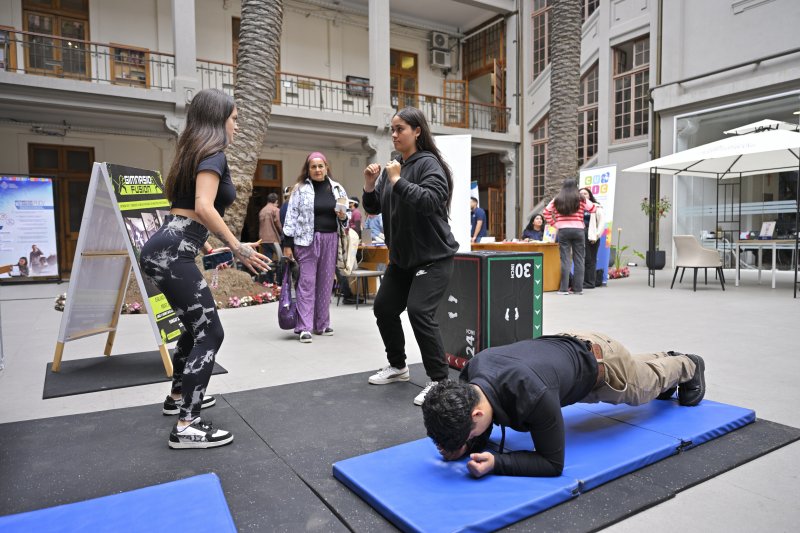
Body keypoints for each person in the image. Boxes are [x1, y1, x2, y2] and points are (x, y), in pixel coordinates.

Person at [139, 88, 271, 449]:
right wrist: (236, 245)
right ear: (217, 119)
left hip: (168, 245)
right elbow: (203, 205)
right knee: (210, 333)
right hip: (172, 252)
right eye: (234, 118)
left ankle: (177, 397)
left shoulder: (191, 152)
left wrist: (207, 244)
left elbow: (184, 210)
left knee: (193, 327)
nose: (237, 125)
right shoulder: (214, 154)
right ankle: (187, 424)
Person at [422, 331, 706, 478]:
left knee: (644, 387)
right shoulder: (471, 374)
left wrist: (497, 463)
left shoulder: (533, 394)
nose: (472, 439)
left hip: (603, 367)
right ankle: (666, 356)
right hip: (569, 344)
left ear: (477, 413)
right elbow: (478, 424)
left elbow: (552, 463)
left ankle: (688, 364)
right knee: (637, 369)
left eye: (470, 435)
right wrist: (458, 444)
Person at [362, 107, 459, 406]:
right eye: (392, 129)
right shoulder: (394, 167)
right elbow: (374, 207)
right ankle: (398, 366)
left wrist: (397, 181)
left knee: (419, 311)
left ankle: (440, 381)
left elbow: (430, 201)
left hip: (434, 257)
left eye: (400, 129)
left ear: (417, 131)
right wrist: (370, 185)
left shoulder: (428, 163)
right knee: (384, 308)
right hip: (403, 260)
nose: (394, 134)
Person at [282, 152, 349, 343]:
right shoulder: (300, 189)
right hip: (306, 241)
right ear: (308, 169)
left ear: (326, 167)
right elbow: (291, 217)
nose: (317, 170)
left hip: (331, 239)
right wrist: (287, 244)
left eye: (321, 166)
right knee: (307, 283)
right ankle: (304, 327)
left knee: (326, 283)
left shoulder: (337, 189)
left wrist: (344, 216)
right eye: (313, 166)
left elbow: (346, 217)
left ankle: (322, 323)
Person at [543, 178, 597, 295]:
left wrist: (555, 224)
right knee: (579, 259)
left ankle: (564, 289)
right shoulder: (581, 198)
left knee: (565, 259)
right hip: (579, 231)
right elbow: (593, 209)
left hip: (563, 231)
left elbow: (546, 212)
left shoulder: (558, 198)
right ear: (576, 186)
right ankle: (578, 289)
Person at [580, 187, 604, 289]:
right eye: (581, 193)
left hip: (591, 235)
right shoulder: (576, 207)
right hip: (579, 234)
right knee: (582, 259)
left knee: (590, 259)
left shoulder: (596, 206)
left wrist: (596, 236)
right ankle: (583, 281)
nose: (583, 195)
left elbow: (601, 223)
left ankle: (590, 282)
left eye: (585, 193)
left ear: (589, 196)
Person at [258, 192, 283, 262]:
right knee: (282, 257)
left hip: (263, 239)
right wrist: (282, 232)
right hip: (273, 239)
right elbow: (278, 223)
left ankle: (268, 269)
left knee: (267, 260)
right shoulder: (275, 210)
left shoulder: (262, 210)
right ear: (276, 201)